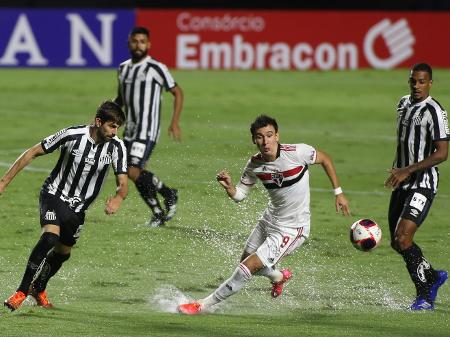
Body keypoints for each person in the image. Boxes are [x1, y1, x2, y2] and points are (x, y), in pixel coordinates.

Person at [178, 115, 350, 315]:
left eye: (269, 135)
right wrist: (230, 188)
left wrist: (338, 193)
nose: (265, 141)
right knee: (245, 262)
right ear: (254, 140)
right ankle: (277, 276)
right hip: (268, 220)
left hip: (293, 228)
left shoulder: (297, 152)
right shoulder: (254, 164)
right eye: (260, 137)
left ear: (277, 136)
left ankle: (202, 305)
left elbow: (325, 159)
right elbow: (240, 196)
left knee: (247, 267)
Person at [1, 100, 128, 311]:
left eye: (117, 127)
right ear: (98, 122)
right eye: (111, 126)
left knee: (63, 253)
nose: (115, 132)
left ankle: (38, 287)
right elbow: (33, 152)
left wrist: (118, 198)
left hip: (78, 209)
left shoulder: (117, 147)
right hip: (54, 194)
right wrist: (4, 182)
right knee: (50, 237)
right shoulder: (72, 135)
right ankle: (21, 291)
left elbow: (122, 183)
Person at [384, 63, 449, 311]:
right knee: (396, 242)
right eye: (413, 81)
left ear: (430, 83)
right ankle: (432, 276)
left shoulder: (436, 111)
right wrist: (400, 171)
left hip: (422, 183)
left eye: (422, 82)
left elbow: (442, 153)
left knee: (403, 237)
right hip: (401, 182)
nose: (417, 86)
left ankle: (425, 296)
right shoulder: (402, 103)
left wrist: (408, 170)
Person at [115, 26, 183, 227]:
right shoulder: (123, 68)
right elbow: (121, 98)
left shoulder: (156, 68)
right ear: (129, 43)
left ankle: (169, 194)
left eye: (142, 41)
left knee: (132, 171)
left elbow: (177, 92)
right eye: (135, 41)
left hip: (147, 130)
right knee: (134, 174)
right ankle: (158, 212)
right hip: (130, 131)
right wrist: (107, 113)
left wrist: (174, 122)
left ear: (149, 44)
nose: (138, 45)